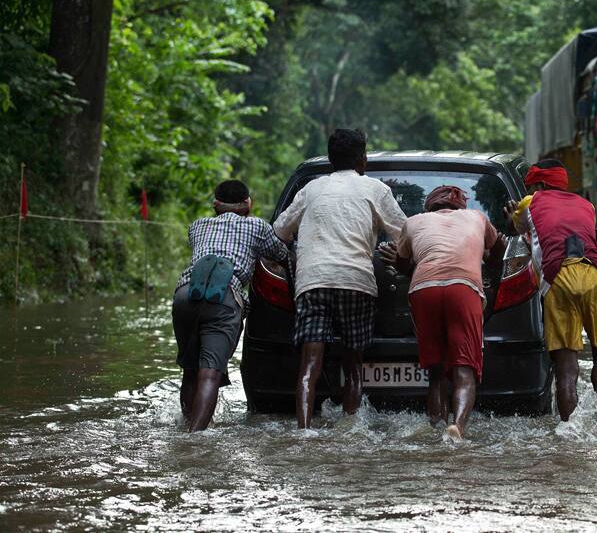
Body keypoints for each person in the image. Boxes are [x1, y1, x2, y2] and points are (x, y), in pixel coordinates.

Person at [274, 128, 407, 428]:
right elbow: (407, 235)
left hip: (312, 282)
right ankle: (349, 429)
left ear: (331, 159)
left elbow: (280, 232)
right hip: (356, 282)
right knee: (354, 366)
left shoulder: (310, 189)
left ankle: (304, 431)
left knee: (309, 365)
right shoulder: (375, 190)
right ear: (362, 159)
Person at [379, 185, 505, 440]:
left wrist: (402, 262)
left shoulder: (414, 222)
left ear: (430, 207)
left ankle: (437, 426)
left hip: (424, 289)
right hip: (464, 289)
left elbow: (405, 264)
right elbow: (497, 253)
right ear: (461, 207)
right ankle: (457, 427)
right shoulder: (478, 218)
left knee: (436, 372)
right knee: (464, 369)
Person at [505, 160, 597, 431]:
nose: (526, 192)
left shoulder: (531, 202)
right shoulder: (586, 205)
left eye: (529, 186)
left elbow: (513, 230)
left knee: (566, 370)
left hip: (559, 281)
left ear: (540, 185)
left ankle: (569, 431)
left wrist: (511, 216)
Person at [172, 179, 289, 432]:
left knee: (190, 370)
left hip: (184, 295)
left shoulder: (197, 226)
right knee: (210, 372)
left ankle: (186, 429)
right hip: (223, 298)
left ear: (215, 205)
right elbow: (282, 255)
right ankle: (195, 440)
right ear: (248, 203)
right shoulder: (257, 226)